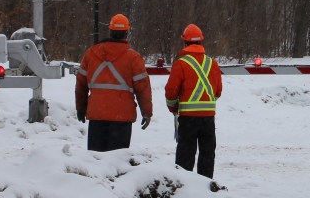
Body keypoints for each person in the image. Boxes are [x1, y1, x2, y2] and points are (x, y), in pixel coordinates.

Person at [75, 13, 153, 151]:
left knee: (96, 161)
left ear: (110, 31)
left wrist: (81, 108)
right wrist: (146, 112)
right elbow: (143, 88)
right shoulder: (133, 57)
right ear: (127, 33)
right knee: (118, 164)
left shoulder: (91, 53)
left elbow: (81, 84)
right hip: (122, 118)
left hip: (97, 115)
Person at [165, 23, 223, 179]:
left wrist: (173, 107)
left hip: (188, 119)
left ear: (185, 42)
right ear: (201, 42)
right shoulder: (213, 63)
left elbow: (171, 92)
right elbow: (218, 91)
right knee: (207, 155)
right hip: (208, 118)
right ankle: (205, 188)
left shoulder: (180, 64)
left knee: (185, 155)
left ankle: (184, 188)